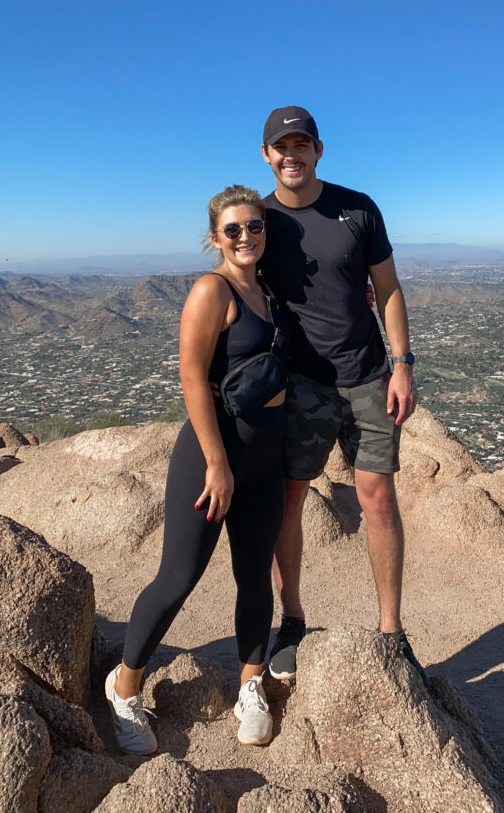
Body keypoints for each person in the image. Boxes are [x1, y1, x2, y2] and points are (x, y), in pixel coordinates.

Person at [105, 185, 289, 754]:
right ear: (215, 237)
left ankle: (251, 685)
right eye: (233, 229)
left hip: (266, 458)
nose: (245, 237)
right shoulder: (214, 290)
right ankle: (125, 687)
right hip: (216, 458)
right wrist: (217, 463)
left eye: (254, 227)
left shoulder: (268, 291)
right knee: (179, 577)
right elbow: (190, 375)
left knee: (255, 577)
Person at [258, 105, 419, 680]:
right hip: (301, 384)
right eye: (281, 146)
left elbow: (389, 288)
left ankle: (392, 631)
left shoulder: (357, 208)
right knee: (292, 498)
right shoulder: (261, 222)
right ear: (267, 155)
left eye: (302, 145)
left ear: (318, 151)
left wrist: (401, 365)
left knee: (377, 499)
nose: (291, 155)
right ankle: (293, 620)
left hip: (369, 376)